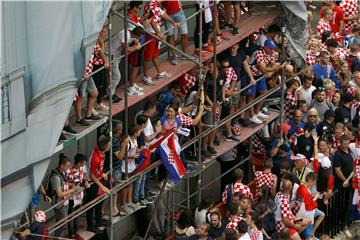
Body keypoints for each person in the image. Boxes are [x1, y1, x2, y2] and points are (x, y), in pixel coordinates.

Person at [142, 0, 176, 86]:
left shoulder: (156, 4)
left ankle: (160, 73)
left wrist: (173, 22)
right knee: (147, 57)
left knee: (155, 54)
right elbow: (152, 19)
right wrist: (158, 32)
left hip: (155, 34)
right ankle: (145, 76)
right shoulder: (152, 4)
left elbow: (163, 14)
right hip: (151, 34)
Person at [250, 39, 283, 123]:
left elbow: (272, 63)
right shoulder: (259, 52)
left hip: (260, 75)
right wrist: (275, 68)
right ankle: (252, 116)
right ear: (265, 47)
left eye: (273, 48)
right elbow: (263, 69)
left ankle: (257, 112)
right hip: (252, 75)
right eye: (270, 48)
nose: (272, 50)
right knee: (251, 96)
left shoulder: (271, 53)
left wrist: (277, 67)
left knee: (264, 92)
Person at [51, 154, 80, 237]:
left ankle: (58, 237)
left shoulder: (62, 174)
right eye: (67, 166)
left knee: (61, 223)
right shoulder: (56, 177)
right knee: (62, 225)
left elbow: (64, 184)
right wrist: (73, 189)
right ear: (61, 165)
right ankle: (57, 238)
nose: (68, 169)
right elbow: (59, 194)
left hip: (64, 202)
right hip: (60, 204)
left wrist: (72, 185)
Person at [86, 135, 111, 233]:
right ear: (105, 146)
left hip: (98, 178)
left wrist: (102, 173)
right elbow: (91, 175)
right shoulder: (96, 158)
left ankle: (98, 221)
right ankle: (90, 225)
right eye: (109, 143)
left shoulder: (99, 149)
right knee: (91, 204)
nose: (110, 145)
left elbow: (97, 170)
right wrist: (102, 186)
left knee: (99, 201)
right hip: (92, 182)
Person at [274, 173, 310, 240]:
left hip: (291, 219)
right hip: (283, 226)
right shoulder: (284, 201)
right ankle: (292, 236)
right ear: (290, 189)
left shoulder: (278, 194)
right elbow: (285, 221)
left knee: (308, 221)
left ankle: (292, 237)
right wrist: (295, 226)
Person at [111, 26, 143, 97]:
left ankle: (110, 94)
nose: (139, 39)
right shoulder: (125, 35)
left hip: (117, 54)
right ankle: (110, 95)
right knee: (116, 77)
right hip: (112, 55)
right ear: (135, 35)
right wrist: (136, 47)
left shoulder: (132, 30)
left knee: (114, 76)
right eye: (138, 37)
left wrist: (135, 41)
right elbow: (126, 49)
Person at [104, 121, 127, 217]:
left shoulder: (112, 139)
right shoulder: (113, 141)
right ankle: (104, 211)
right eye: (120, 129)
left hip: (113, 167)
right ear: (117, 130)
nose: (121, 131)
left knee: (114, 190)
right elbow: (120, 156)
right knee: (111, 191)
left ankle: (114, 209)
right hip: (114, 168)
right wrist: (124, 145)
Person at [333, 134, 354, 236]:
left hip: (350, 182)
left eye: (348, 143)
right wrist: (345, 180)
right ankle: (342, 225)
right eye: (345, 144)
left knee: (348, 204)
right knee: (342, 205)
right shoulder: (337, 155)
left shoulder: (349, 150)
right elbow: (337, 170)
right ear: (340, 143)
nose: (346, 145)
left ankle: (345, 222)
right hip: (342, 185)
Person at [121, 124, 142, 214]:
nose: (140, 132)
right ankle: (123, 205)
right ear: (135, 132)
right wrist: (131, 156)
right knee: (125, 186)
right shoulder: (126, 141)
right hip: (125, 167)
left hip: (132, 166)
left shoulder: (135, 140)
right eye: (139, 131)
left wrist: (140, 151)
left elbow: (135, 149)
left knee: (131, 184)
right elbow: (121, 155)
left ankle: (129, 202)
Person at [294, 172, 322, 240]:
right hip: (306, 216)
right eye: (314, 182)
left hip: (300, 215)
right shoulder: (305, 191)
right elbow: (309, 207)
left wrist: (312, 196)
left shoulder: (302, 187)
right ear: (310, 180)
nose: (314, 184)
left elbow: (306, 200)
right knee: (307, 236)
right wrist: (315, 198)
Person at [68, 153, 90, 237]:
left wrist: (86, 181)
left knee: (78, 212)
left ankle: (76, 229)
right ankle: (71, 233)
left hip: (80, 194)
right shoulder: (70, 171)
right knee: (71, 214)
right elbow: (67, 183)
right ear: (79, 163)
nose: (85, 164)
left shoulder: (83, 167)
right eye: (84, 162)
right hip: (71, 196)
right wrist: (73, 187)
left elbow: (83, 176)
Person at [162, 0, 188, 65]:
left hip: (179, 11)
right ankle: (175, 56)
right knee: (170, 35)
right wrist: (160, 9)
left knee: (184, 34)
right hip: (167, 14)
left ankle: (185, 55)